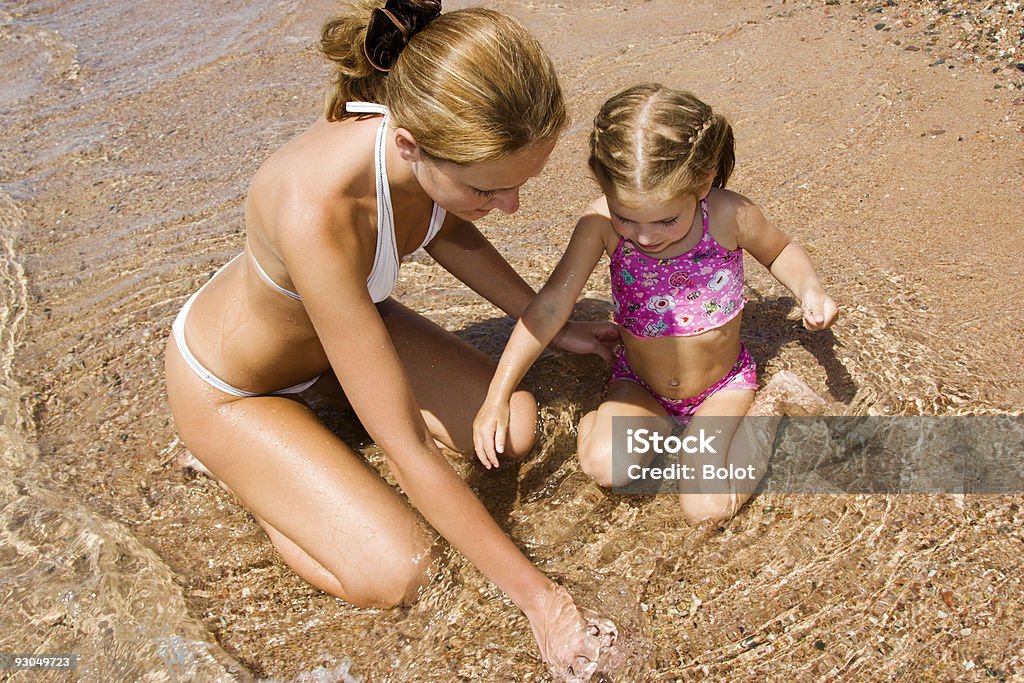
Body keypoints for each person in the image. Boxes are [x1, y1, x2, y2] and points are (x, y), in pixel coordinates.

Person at [164, 1, 617, 677]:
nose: (511, 207)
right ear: (409, 145)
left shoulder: (427, 146)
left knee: (513, 428)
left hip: (343, 335)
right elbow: (405, 445)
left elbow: (447, 225)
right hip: (236, 388)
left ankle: (324, 425)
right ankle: (250, 476)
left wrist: (549, 324)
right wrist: (541, 600)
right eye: (489, 189)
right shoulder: (316, 209)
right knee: (402, 568)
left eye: (519, 186)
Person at [474, 83, 838, 524]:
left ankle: (770, 408)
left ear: (701, 184)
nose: (645, 236)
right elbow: (550, 307)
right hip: (640, 386)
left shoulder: (727, 216)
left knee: (705, 507)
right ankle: (639, 430)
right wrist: (498, 394)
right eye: (627, 216)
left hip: (720, 388)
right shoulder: (599, 225)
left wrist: (810, 289)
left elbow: (780, 252)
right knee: (605, 467)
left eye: (666, 219)